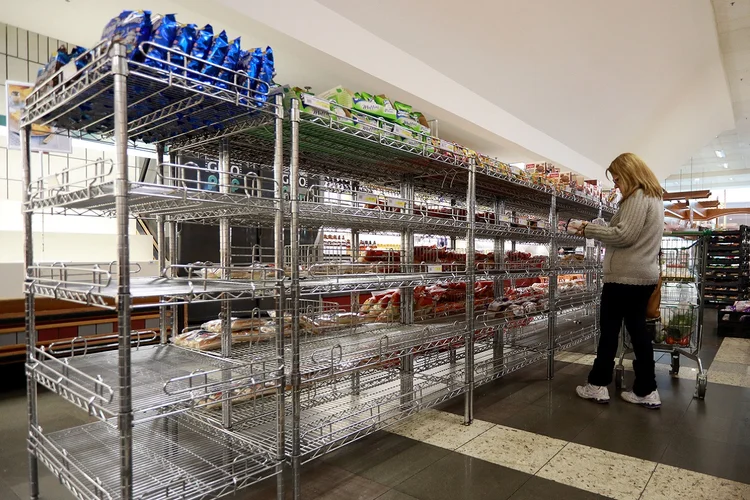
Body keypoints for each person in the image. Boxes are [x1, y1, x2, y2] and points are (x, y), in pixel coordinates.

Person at [573, 153, 664, 409]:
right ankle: (647, 390)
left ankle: (597, 385)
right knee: (639, 334)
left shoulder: (637, 197)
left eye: (617, 179)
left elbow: (625, 236)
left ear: (630, 173)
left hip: (625, 278)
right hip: (643, 276)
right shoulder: (655, 198)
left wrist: (588, 228)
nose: (616, 185)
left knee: (609, 333)